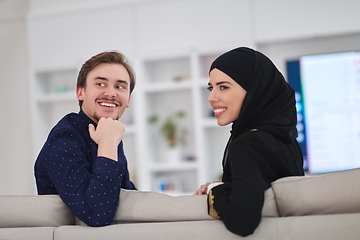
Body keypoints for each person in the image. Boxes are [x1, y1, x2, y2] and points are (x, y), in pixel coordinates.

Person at [194, 47, 304, 236]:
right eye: (211, 88)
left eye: (224, 87)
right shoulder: (284, 138)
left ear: (254, 89)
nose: (211, 98)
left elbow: (243, 220)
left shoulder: (248, 144)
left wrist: (214, 189)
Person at [34, 51, 136, 227]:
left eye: (120, 87)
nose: (111, 93)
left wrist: (192, 201)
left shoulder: (109, 133)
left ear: (128, 100)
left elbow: (128, 195)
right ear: (80, 92)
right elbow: (97, 214)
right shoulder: (65, 138)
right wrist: (108, 145)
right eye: (100, 83)